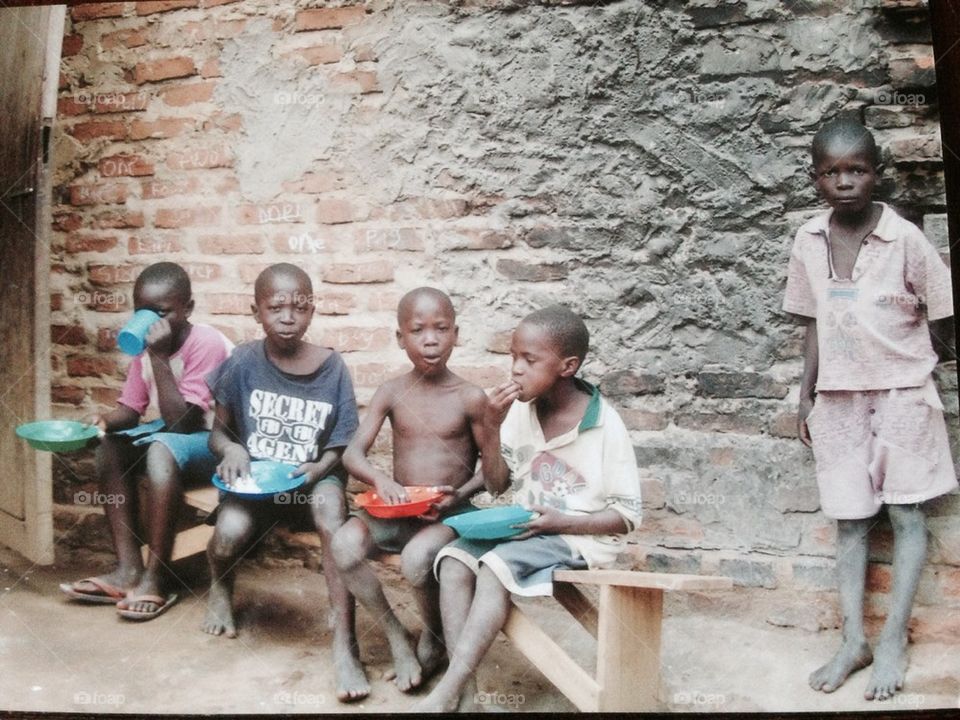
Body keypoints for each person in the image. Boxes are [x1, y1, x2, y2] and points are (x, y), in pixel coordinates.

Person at [785, 118, 956, 701]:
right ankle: (854, 638)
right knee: (851, 520)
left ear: (876, 173)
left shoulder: (904, 237)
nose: (845, 182)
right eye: (832, 173)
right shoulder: (808, 240)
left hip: (903, 395)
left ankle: (892, 643)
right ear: (815, 180)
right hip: (837, 399)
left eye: (857, 170)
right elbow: (811, 323)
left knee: (908, 517)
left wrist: (918, 361)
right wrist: (806, 394)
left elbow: (942, 310)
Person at [414, 304, 642, 712]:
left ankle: (447, 692)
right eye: (513, 357)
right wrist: (491, 428)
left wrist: (563, 523)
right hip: (526, 528)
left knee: (495, 568)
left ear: (567, 366)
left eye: (529, 360)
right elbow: (499, 484)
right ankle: (468, 700)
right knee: (452, 562)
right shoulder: (520, 412)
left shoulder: (606, 425)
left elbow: (625, 518)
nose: (516, 369)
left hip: (579, 538)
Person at [201, 263, 368, 702]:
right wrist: (233, 450)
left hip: (313, 478)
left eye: (299, 307)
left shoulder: (332, 367)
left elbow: (341, 443)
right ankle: (220, 584)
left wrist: (318, 467)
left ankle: (344, 641)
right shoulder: (241, 362)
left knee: (332, 513)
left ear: (312, 311)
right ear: (256, 311)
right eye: (276, 307)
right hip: (257, 480)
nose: (288, 316)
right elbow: (218, 432)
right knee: (229, 534)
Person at [332, 287, 487, 694]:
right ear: (401, 338)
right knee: (344, 545)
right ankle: (398, 636)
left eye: (441, 328)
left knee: (417, 560)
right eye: (417, 330)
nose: (430, 339)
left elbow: (491, 470)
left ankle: (432, 637)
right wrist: (382, 481)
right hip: (396, 511)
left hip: (449, 515)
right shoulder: (392, 391)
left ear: (457, 333)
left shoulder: (470, 396)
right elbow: (353, 454)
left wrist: (460, 493)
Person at [59, 261, 233, 621]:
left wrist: (158, 355)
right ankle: (127, 569)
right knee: (110, 446)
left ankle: (157, 577)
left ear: (189, 308)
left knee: (161, 448)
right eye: (142, 311)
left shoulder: (206, 343)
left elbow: (181, 423)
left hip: (220, 444)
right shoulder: (145, 347)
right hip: (177, 438)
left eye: (163, 312)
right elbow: (131, 409)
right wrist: (103, 421)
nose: (151, 321)